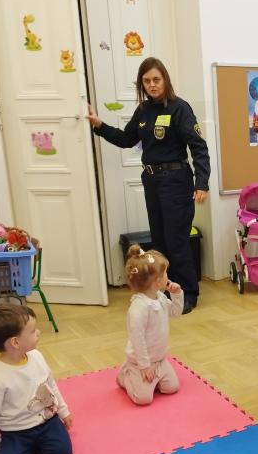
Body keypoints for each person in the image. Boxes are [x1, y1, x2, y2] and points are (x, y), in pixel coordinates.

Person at [86, 56, 210, 314]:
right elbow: (126, 139)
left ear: (165, 80)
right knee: (159, 241)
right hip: (152, 181)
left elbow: (198, 147)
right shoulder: (143, 110)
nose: (152, 85)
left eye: (156, 79)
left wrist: (202, 183)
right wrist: (99, 125)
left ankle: (188, 294)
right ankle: (164, 289)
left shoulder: (179, 108)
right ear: (141, 84)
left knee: (177, 241)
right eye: (146, 81)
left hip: (176, 181)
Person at [0, 305, 73, 454]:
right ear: (15, 342)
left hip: (47, 421)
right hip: (16, 433)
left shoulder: (36, 356)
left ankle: (30, 449)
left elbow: (50, 385)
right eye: (33, 330)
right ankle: (20, 450)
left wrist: (63, 411)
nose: (39, 332)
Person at [117, 245, 183, 405]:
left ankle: (153, 380)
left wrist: (177, 295)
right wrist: (144, 366)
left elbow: (175, 313)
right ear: (157, 282)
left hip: (159, 359)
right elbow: (137, 340)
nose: (168, 276)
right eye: (165, 273)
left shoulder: (160, 297)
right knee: (144, 399)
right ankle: (125, 376)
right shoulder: (139, 307)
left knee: (172, 387)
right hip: (140, 362)